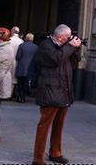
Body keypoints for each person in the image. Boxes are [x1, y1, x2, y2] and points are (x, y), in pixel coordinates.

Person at [32, 24, 81, 165]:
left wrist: (75, 47)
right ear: (60, 37)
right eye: (67, 37)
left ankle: (55, 152)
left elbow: (74, 62)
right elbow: (56, 59)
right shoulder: (45, 46)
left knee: (59, 125)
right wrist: (70, 46)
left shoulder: (65, 47)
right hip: (50, 91)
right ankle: (38, 158)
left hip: (64, 90)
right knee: (44, 126)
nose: (69, 39)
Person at [15, 33, 38, 103]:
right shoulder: (36, 47)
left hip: (21, 67)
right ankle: (24, 97)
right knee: (26, 83)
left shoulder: (21, 46)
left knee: (20, 83)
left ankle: (19, 97)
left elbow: (18, 57)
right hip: (30, 67)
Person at [9, 26, 24, 100]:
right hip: (17, 61)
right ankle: (13, 94)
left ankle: (8, 94)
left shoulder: (9, 40)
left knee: (8, 78)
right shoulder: (21, 41)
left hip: (9, 61)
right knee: (15, 79)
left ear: (12, 31)